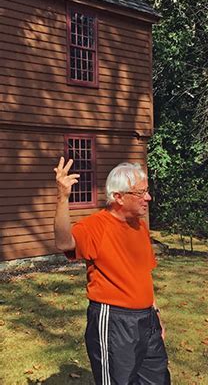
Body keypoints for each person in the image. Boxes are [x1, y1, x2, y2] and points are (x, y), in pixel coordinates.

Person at [54, 157, 171, 385]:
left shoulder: (139, 226)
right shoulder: (95, 226)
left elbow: (142, 273)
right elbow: (63, 242)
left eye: (146, 191)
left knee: (157, 379)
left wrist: (154, 314)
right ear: (118, 197)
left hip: (146, 320)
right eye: (140, 193)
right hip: (115, 322)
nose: (148, 198)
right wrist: (63, 198)